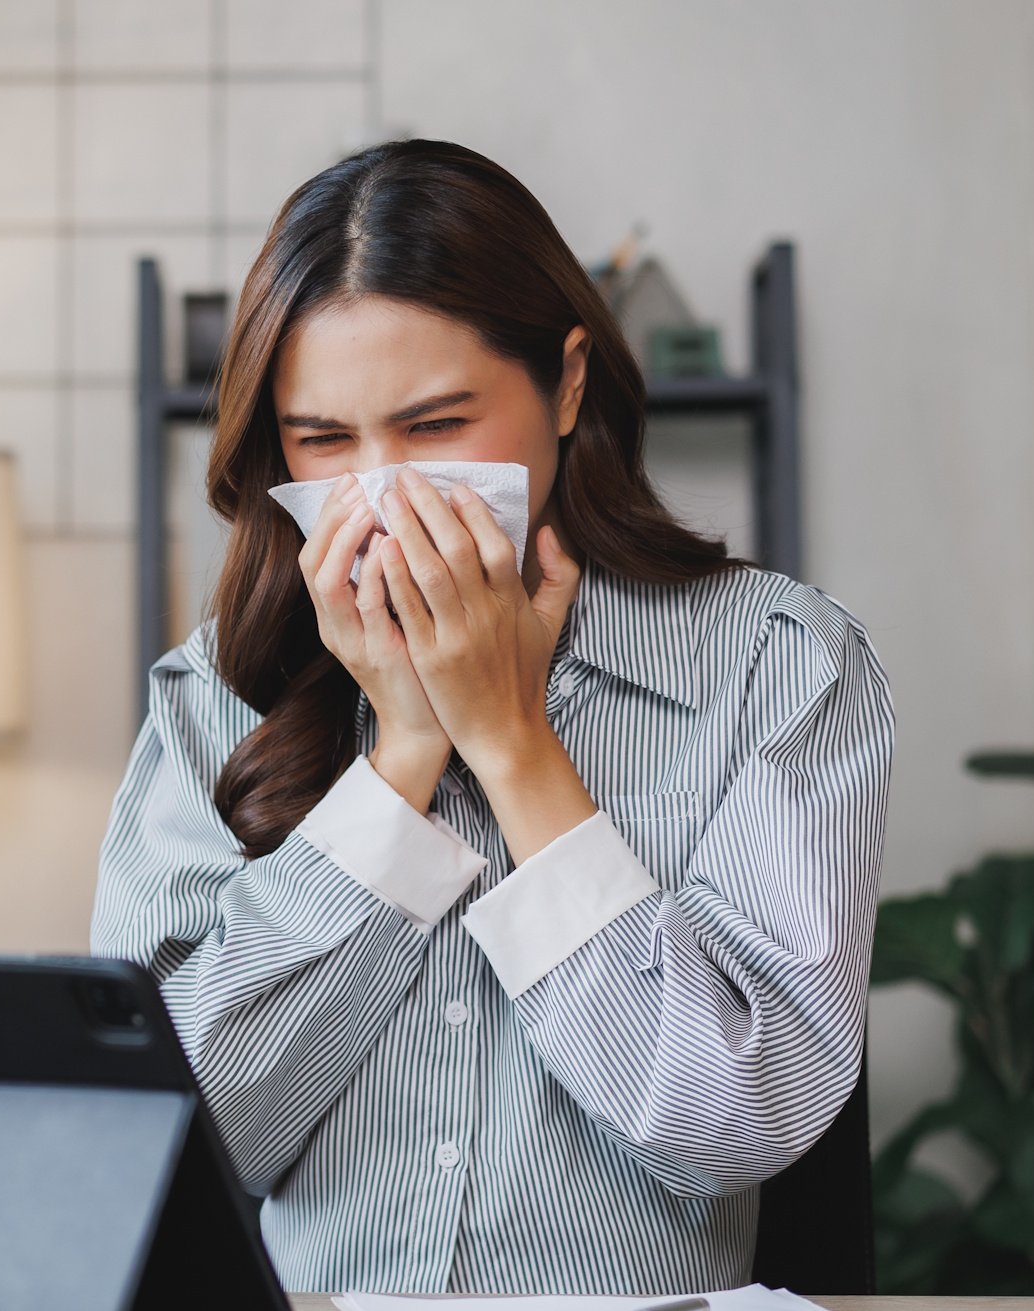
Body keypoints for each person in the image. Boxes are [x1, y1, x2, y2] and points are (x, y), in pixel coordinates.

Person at [91, 139, 894, 1295]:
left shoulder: (780, 667)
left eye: (433, 427)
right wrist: (405, 754)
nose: (382, 497)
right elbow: (174, 1144)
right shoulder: (211, 693)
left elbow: (735, 1119)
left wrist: (511, 741)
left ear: (567, 385)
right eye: (323, 441)